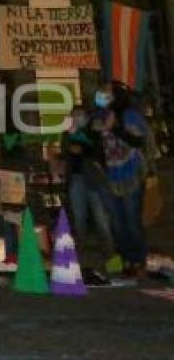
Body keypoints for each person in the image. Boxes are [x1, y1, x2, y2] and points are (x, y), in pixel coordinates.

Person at [90, 81, 148, 276]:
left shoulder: (130, 115)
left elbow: (137, 140)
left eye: (105, 92)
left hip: (130, 173)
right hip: (111, 176)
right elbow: (94, 140)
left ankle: (137, 260)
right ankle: (125, 259)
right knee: (118, 222)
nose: (102, 95)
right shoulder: (100, 115)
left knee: (131, 220)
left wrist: (114, 127)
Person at [61, 106, 115, 263]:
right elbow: (67, 150)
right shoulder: (68, 133)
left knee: (101, 217)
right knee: (79, 217)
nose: (77, 118)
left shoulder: (93, 131)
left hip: (94, 178)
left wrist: (82, 147)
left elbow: (98, 151)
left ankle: (109, 250)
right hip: (76, 178)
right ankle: (81, 251)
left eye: (80, 115)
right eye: (74, 115)